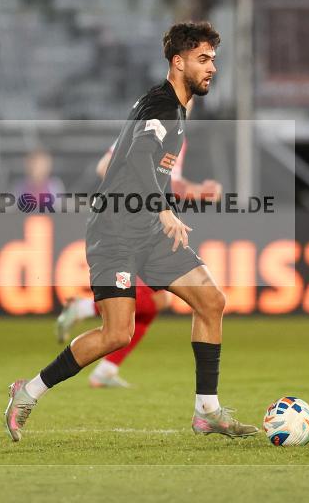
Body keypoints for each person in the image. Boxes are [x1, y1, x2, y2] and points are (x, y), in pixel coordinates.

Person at [5, 22, 257, 440]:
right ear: (178, 63)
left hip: (148, 230)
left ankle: (206, 411)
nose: (212, 67)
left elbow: (149, 166)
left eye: (213, 58)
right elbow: (140, 159)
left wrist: (166, 206)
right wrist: (164, 210)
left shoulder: (174, 106)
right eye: (203, 59)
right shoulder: (162, 106)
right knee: (117, 333)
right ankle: (28, 391)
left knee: (211, 301)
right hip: (115, 230)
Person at [56, 105, 223, 389]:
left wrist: (195, 191)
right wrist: (186, 192)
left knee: (157, 302)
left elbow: (167, 182)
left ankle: (105, 369)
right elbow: (106, 166)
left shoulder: (176, 133)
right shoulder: (152, 123)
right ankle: (84, 311)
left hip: (148, 227)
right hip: (127, 228)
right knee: (141, 309)